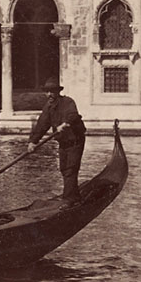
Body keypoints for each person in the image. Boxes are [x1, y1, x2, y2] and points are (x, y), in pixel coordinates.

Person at [27, 77, 86, 207]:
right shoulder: (48, 107)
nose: (49, 95)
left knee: (71, 169)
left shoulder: (68, 102)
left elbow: (73, 115)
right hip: (63, 142)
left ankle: (69, 199)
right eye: (47, 92)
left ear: (57, 92)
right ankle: (73, 196)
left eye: (52, 92)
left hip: (75, 140)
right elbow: (42, 125)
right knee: (64, 169)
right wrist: (33, 142)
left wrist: (65, 123)